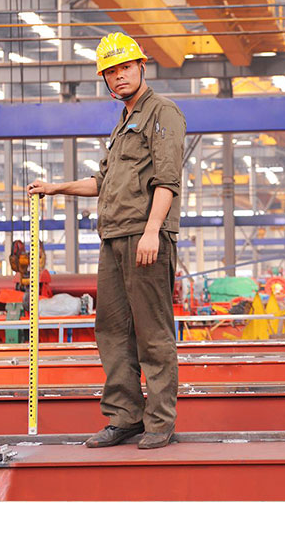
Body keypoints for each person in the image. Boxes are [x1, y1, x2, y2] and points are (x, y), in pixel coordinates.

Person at [28, 32, 185, 450]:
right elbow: (102, 182)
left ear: (141, 67)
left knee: (152, 333)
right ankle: (125, 417)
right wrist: (55, 188)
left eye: (125, 68)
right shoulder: (122, 124)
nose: (119, 77)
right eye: (111, 72)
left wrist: (152, 230)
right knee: (112, 330)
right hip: (113, 237)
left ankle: (159, 422)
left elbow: (167, 180)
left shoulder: (162, 113)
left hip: (144, 237)